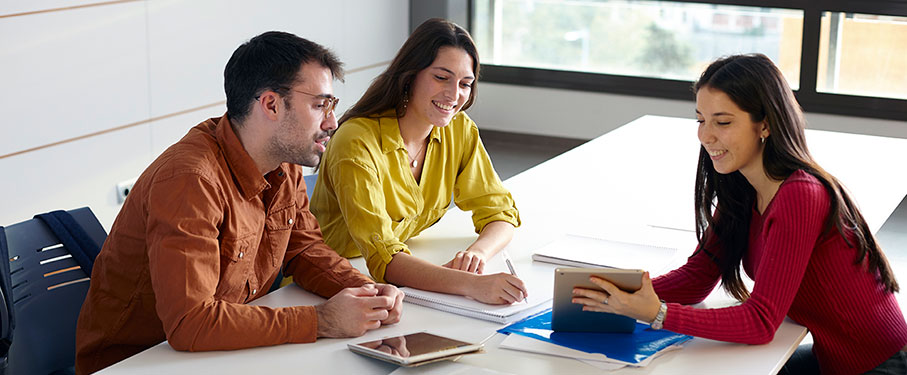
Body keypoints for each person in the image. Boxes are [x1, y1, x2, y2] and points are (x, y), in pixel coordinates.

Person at [75, 31, 404, 374]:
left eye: (331, 106)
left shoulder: (284, 161)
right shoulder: (192, 180)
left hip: (222, 354)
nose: (332, 122)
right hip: (137, 363)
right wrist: (320, 321)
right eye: (320, 105)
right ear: (272, 105)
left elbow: (304, 251)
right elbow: (191, 321)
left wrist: (366, 292)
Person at [571, 54, 907, 374]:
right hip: (833, 359)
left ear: (765, 124)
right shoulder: (743, 185)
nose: (706, 135)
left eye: (723, 122)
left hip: (879, 366)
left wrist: (657, 313)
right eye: (701, 120)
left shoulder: (799, 195)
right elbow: (699, 277)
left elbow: (761, 322)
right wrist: (620, 293)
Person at [310, 18, 526, 305]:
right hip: (325, 286)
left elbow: (501, 213)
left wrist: (477, 254)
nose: (454, 94)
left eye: (465, 83)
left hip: (391, 284)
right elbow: (384, 259)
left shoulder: (458, 130)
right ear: (410, 75)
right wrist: (471, 285)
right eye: (441, 77)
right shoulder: (357, 142)